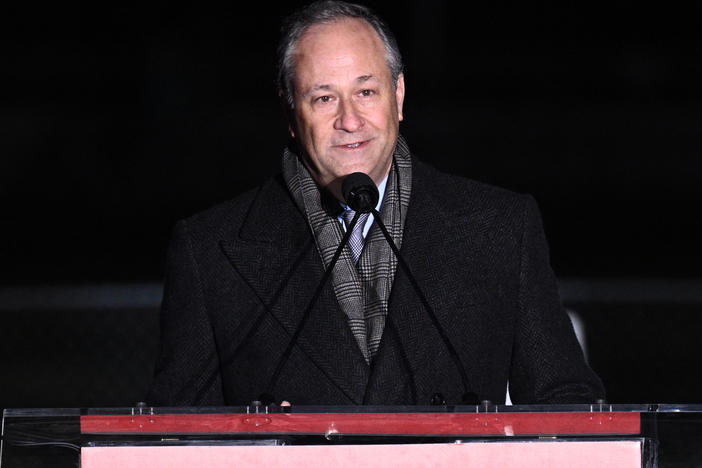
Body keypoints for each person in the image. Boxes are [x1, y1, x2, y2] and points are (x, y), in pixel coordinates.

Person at [147, 0, 604, 406]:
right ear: (290, 111)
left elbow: (565, 402)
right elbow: (179, 434)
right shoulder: (209, 251)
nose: (350, 120)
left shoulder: (500, 227)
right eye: (324, 98)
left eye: (366, 92)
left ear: (399, 96)